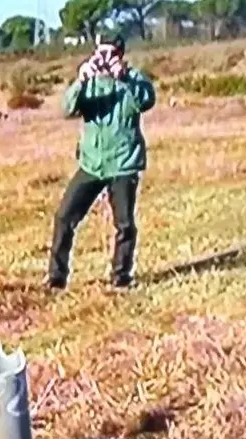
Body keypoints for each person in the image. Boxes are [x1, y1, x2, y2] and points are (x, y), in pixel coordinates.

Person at [48, 33, 158, 291]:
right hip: (92, 163)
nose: (105, 59)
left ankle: (121, 277)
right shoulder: (91, 82)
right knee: (64, 217)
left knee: (124, 224)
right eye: (101, 53)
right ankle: (56, 277)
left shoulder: (134, 80)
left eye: (110, 54)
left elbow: (146, 101)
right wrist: (81, 80)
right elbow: (66, 109)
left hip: (124, 162)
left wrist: (124, 78)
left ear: (120, 55)